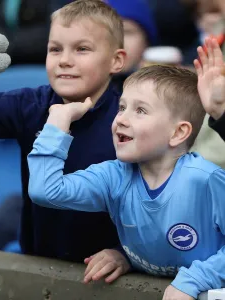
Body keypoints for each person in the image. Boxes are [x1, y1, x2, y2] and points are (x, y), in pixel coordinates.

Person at [0, 0, 131, 283]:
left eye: (82, 49)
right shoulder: (29, 104)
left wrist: (124, 253)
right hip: (39, 267)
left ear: (116, 61)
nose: (64, 59)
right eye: (55, 49)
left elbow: (158, 198)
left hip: (114, 277)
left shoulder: (130, 118)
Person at [27, 38, 225, 299]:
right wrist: (57, 122)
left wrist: (193, 280)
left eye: (140, 110)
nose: (122, 119)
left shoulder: (204, 178)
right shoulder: (113, 176)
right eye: (122, 108)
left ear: (178, 133)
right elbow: (46, 191)